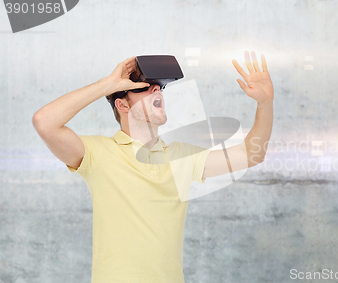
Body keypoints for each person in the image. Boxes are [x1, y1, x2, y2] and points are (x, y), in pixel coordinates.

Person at [32, 51, 274, 283]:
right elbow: (44, 122)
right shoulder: (98, 153)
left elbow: (252, 154)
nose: (156, 88)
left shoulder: (181, 156)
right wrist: (108, 84)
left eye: (159, 86)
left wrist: (265, 103)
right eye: (143, 87)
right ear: (123, 105)